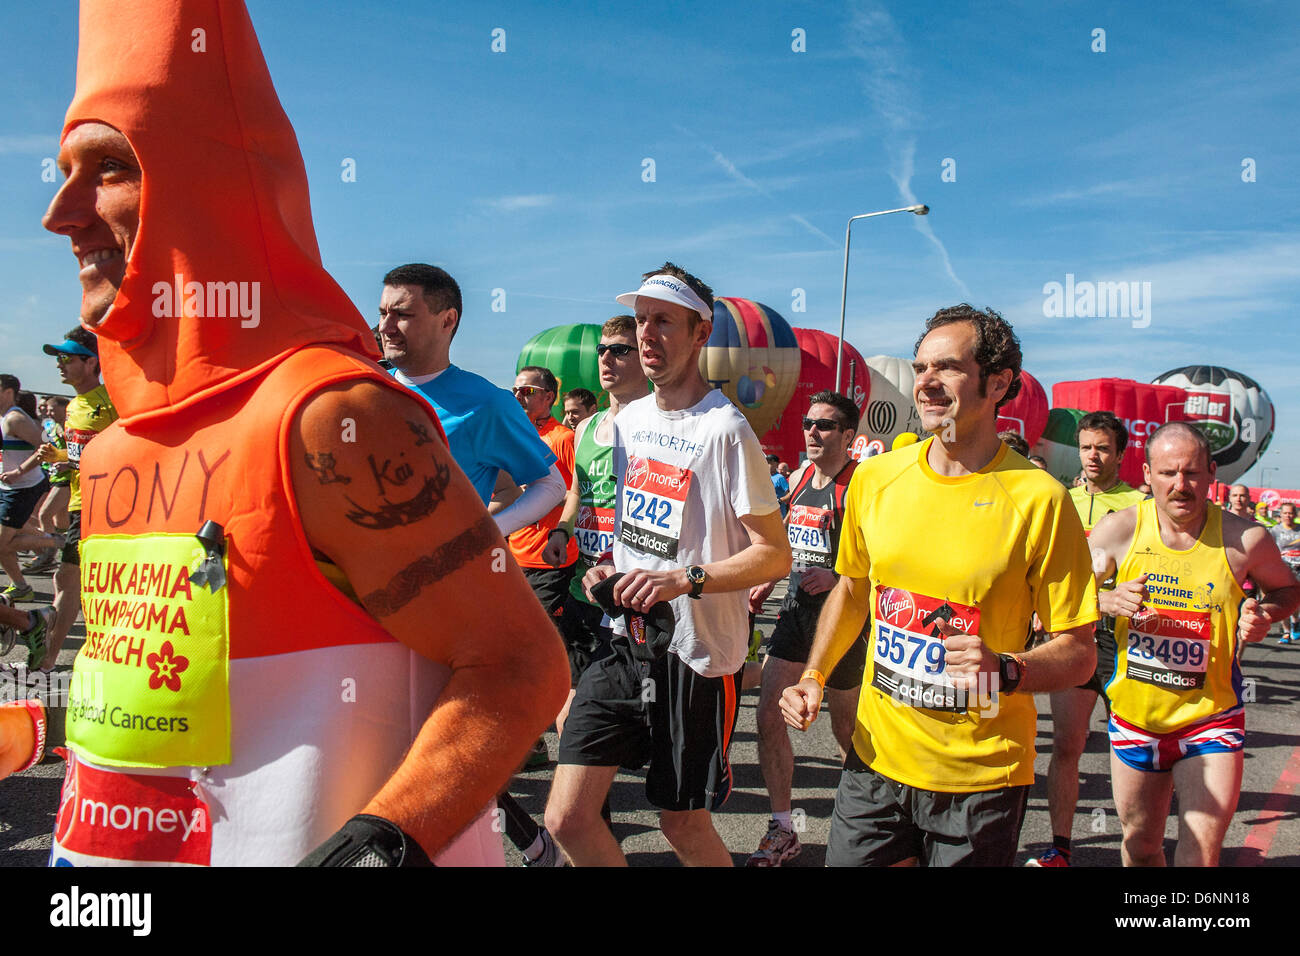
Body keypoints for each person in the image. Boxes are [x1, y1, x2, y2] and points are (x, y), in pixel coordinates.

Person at [35, 0, 568, 867]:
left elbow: (521, 668)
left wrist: (383, 844)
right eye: (60, 172)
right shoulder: (113, 443)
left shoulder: (333, 413)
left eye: (106, 169)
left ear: (208, 183)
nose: (62, 214)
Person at [780, 304, 1099, 867]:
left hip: (980, 778)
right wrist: (814, 676)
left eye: (946, 368)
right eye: (920, 366)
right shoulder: (876, 478)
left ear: (998, 384)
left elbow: (1078, 653)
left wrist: (1006, 669)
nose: (925, 382)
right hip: (875, 761)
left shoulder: (1040, 499)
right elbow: (853, 591)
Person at [545, 262, 790, 867]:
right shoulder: (624, 422)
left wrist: (687, 578)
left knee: (681, 824)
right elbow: (644, 531)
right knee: (567, 819)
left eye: (663, 322)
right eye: (640, 321)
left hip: (696, 654)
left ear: (700, 333)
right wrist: (606, 568)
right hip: (623, 638)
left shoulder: (726, 429)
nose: (647, 334)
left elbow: (774, 554)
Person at [1090, 423, 1300, 866]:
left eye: (1191, 473)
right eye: (1168, 473)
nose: (1180, 485)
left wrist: (1266, 613)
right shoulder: (1119, 530)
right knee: (1141, 847)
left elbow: (1288, 591)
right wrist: (1106, 600)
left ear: (1211, 474)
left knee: (1201, 850)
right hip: (1136, 718)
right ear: (1147, 474)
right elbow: (1059, 600)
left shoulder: (1246, 539)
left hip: (1211, 720)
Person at [747, 390, 864, 866]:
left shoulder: (860, 485)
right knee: (768, 715)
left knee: (847, 731)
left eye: (826, 425)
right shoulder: (797, 480)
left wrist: (838, 576)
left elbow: (888, 563)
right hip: (796, 615)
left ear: (849, 436)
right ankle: (782, 826)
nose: (813, 432)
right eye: (809, 424)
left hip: (845, 623)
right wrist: (767, 578)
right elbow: (788, 542)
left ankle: (872, 818)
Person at [1027, 410, 1146, 866]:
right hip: (1072, 641)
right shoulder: (1062, 499)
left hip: (1124, 647)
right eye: (1086, 448)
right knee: (1066, 747)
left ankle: (1138, 848)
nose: (1093, 456)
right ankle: (1061, 848)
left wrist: (1113, 598)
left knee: (1132, 753)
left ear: (1120, 453)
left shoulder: (1139, 506)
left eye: (1102, 448)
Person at [378, 263, 566, 532]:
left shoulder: (488, 403)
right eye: (383, 313)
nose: (385, 327)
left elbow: (552, 485)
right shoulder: (366, 388)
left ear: (447, 320)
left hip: (435, 572)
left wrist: (484, 535)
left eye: (402, 314)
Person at [544, 316, 650, 720]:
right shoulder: (586, 427)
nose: (607, 358)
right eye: (602, 350)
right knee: (580, 690)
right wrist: (562, 530)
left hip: (631, 592)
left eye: (620, 350)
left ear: (645, 356)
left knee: (639, 694)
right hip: (581, 582)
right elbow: (576, 490)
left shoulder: (657, 426)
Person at [24, 331, 118, 675]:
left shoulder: (114, 399)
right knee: (67, 579)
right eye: (58, 359)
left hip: (112, 505)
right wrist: (61, 455)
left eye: (68, 358)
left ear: (91, 362)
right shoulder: (75, 405)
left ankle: (54, 660)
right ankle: (49, 659)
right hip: (81, 503)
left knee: (78, 580)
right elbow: (85, 454)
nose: (60, 365)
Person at [509, 366, 579, 626]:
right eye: (514, 390)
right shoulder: (515, 436)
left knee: (542, 634)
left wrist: (541, 494)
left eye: (527, 391)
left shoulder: (563, 438)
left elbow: (579, 493)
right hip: (515, 552)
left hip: (549, 558)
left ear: (549, 397)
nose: (518, 397)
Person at [0, 374, 50, 603]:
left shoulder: (15, 419)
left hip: (24, 485)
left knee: (2, 542)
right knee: (13, 532)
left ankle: (62, 544)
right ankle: (56, 541)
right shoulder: (3, 418)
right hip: (7, 487)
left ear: (8, 392)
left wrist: (19, 471)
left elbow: (46, 446)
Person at [25, 396, 71, 574]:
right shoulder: (52, 427)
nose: (47, 412)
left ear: (64, 409)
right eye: (46, 409)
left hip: (67, 479)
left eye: (51, 409)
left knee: (44, 514)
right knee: (60, 521)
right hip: (57, 477)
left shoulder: (71, 425)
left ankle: (48, 555)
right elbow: (44, 447)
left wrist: (63, 460)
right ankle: (69, 556)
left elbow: (79, 449)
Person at [1271, 502, 1300, 643]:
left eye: (1291, 513)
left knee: (1296, 603)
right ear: (1280, 514)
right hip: (1282, 569)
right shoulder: (1275, 531)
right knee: (1283, 601)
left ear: (1295, 514)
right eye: (1285, 513)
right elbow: (1269, 549)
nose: (1288, 516)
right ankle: (1286, 632)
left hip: (1298, 569)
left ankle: (1295, 622)